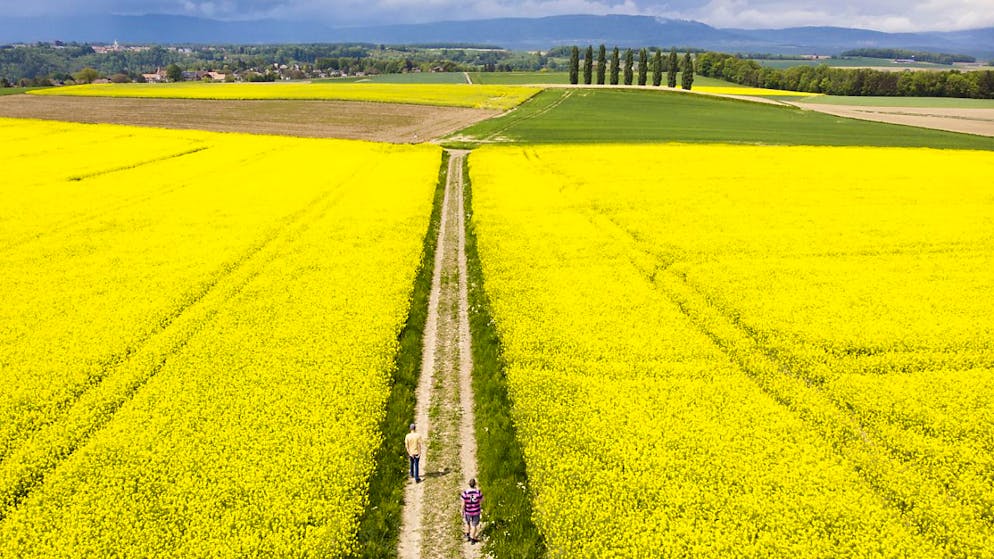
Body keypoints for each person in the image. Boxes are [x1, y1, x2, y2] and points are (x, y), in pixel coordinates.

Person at [461, 478, 483, 544]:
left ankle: (467, 535)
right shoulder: (478, 492)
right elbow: (482, 500)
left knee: (467, 523)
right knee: (474, 525)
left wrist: (462, 510)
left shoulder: (465, 493)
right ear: (475, 484)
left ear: (469, 484)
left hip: (468, 511)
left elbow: (463, 503)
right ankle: (473, 538)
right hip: (476, 511)